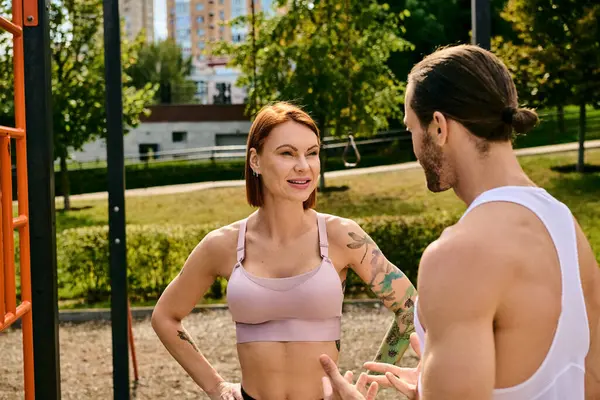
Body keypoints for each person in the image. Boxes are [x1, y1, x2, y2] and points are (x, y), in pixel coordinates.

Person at [320, 44, 600, 399]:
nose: (414, 147)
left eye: (411, 130)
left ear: (438, 127)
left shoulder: (459, 253)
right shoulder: (565, 224)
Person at [151, 101, 417, 400]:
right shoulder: (222, 245)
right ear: (255, 160)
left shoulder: (342, 236)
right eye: (287, 153)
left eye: (312, 153)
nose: (303, 165)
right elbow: (165, 316)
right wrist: (216, 386)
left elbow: (410, 309)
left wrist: (369, 382)